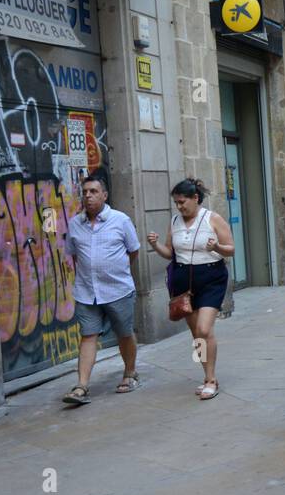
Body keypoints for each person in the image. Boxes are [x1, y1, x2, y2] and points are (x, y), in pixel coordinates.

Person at [147, 177, 235, 400]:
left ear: (196, 198)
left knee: (205, 330)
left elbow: (231, 249)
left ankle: (212, 379)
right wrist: (155, 245)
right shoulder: (175, 221)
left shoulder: (212, 219)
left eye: (182, 201)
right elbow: (170, 252)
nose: (179, 206)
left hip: (211, 277)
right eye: (176, 202)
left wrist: (216, 246)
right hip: (183, 280)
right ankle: (206, 376)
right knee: (196, 333)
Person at [62, 172, 141, 405]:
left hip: (118, 289)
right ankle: (81, 386)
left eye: (93, 192)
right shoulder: (75, 224)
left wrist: (117, 270)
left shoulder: (121, 220)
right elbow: (74, 255)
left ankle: (130, 373)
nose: (88, 196)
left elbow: (133, 250)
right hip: (87, 292)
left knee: (124, 333)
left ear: (104, 195)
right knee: (88, 336)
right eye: (85, 192)